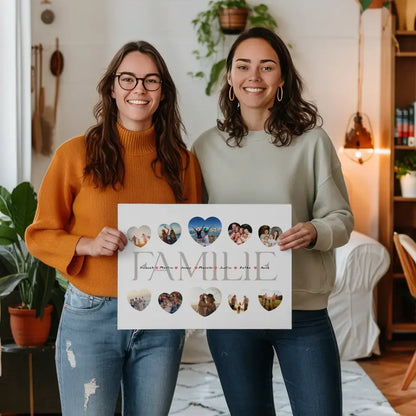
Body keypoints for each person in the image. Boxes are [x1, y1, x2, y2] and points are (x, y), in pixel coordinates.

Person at [26, 40, 201, 416]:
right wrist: (86, 244)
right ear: (111, 88)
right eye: (128, 79)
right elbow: (39, 235)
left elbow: (196, 245)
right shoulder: (74, 154)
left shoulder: (183, 163)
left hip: (161, 318)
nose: (139, 89)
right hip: (92, 316)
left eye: (151, 81)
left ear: (163, 93)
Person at [192, 27, 353, 416]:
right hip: (232, 314)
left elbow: (342, 219)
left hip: (303, 313)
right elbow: (190, 227)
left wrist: (315, 231)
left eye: (267, 67)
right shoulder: (204, 148)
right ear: (229, 78)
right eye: (243, 66)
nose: (254, 77)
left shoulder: (312, 142)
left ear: (282, 79)